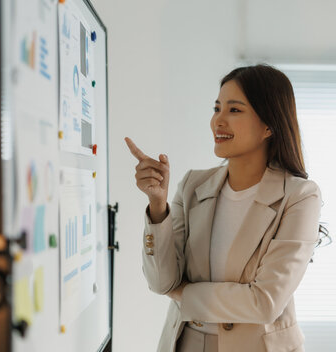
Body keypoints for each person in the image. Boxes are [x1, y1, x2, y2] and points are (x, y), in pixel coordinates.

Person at [125, 64, 325, 352]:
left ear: (269, 125)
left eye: (234, 110)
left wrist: (185, 294)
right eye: (217, 108)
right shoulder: (193, 185)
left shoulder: (300, 196)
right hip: (186, 343)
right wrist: (157, 206)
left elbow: (265, 302)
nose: (218, 120)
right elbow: (161, 281)